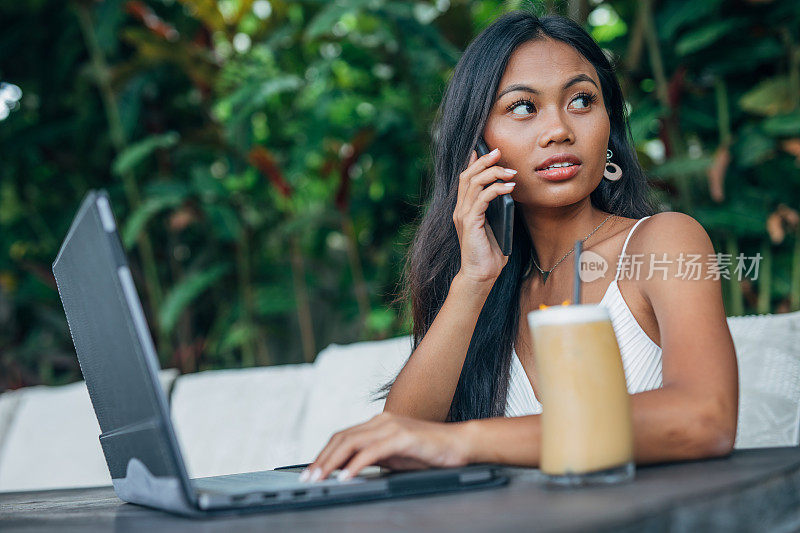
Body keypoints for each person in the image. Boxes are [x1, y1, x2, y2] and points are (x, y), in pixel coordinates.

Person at [299, 10, 738, 483]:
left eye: (582, 101)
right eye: (524, 108)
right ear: (478, 147)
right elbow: (403, 439)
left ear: (609, 126)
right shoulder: (489, 292)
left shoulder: (664, 242)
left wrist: (463, 442)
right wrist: (473, 281)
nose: (559, 130)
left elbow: (705, 418)